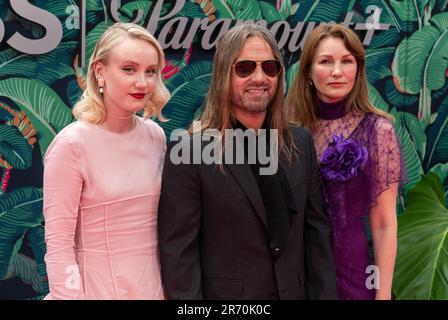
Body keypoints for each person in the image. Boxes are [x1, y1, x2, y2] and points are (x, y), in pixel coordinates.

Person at [157, 23, 337, 300]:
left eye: (269, 68)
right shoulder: (188, 152)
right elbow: (179, 255)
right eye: (245, 68)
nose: (259, 77)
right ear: (222, 75)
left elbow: (316, 239)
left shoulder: (299, 142)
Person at [43, 22, 170, 299]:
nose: (142, 82)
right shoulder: (71, 145)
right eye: (128, 69)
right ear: (99, 71)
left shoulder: (156, 137)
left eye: (150, 71)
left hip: (155, 289)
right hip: (95, 291)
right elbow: (59, 245)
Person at [286, 24, 405, 300]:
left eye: (347, 61)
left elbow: (385, 223)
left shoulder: (378, 131)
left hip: (353, 267)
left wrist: (383, 293)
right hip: (298, 269)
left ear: (358, 69)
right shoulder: (289, 131)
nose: (337, 71)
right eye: (326, 61)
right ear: (308, 72)